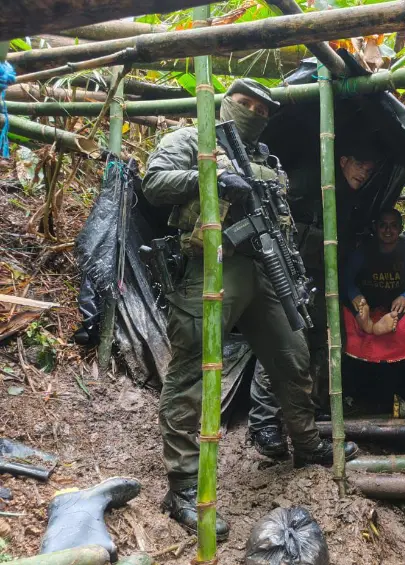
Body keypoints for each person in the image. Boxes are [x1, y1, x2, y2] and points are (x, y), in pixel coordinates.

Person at [142, 78, 358, 540]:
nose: (251, 112)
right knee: (193, 372)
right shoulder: (191, 140)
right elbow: (154, 184)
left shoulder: (266, 160)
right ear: (226, 102)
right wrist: (212, 177)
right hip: (212, 265)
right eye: (243, 103)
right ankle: (183, 487)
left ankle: (306, 444)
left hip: (265, 268)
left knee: (294, 356)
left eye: (261, 108)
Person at [247, 142, 380, 456]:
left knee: (321, 341)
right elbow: (271, 207)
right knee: (281, 341)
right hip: (287, 273)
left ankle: (310, 412)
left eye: (370, 170)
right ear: (344, 159)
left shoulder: (351, 197)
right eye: (360, 164)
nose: (364, 173)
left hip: (320, 278)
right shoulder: (310, 177)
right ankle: (264, 422)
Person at [345, 208, 405, 335]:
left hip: (397, 304)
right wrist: (355, 294)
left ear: (401, 228)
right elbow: (345, 277)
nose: (388, 230)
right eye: (383, 225)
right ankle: (367, 323)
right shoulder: (364, 250)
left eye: (393, 225)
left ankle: (380, 325)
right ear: (376, 227)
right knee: (349, 304)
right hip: (369, 302)